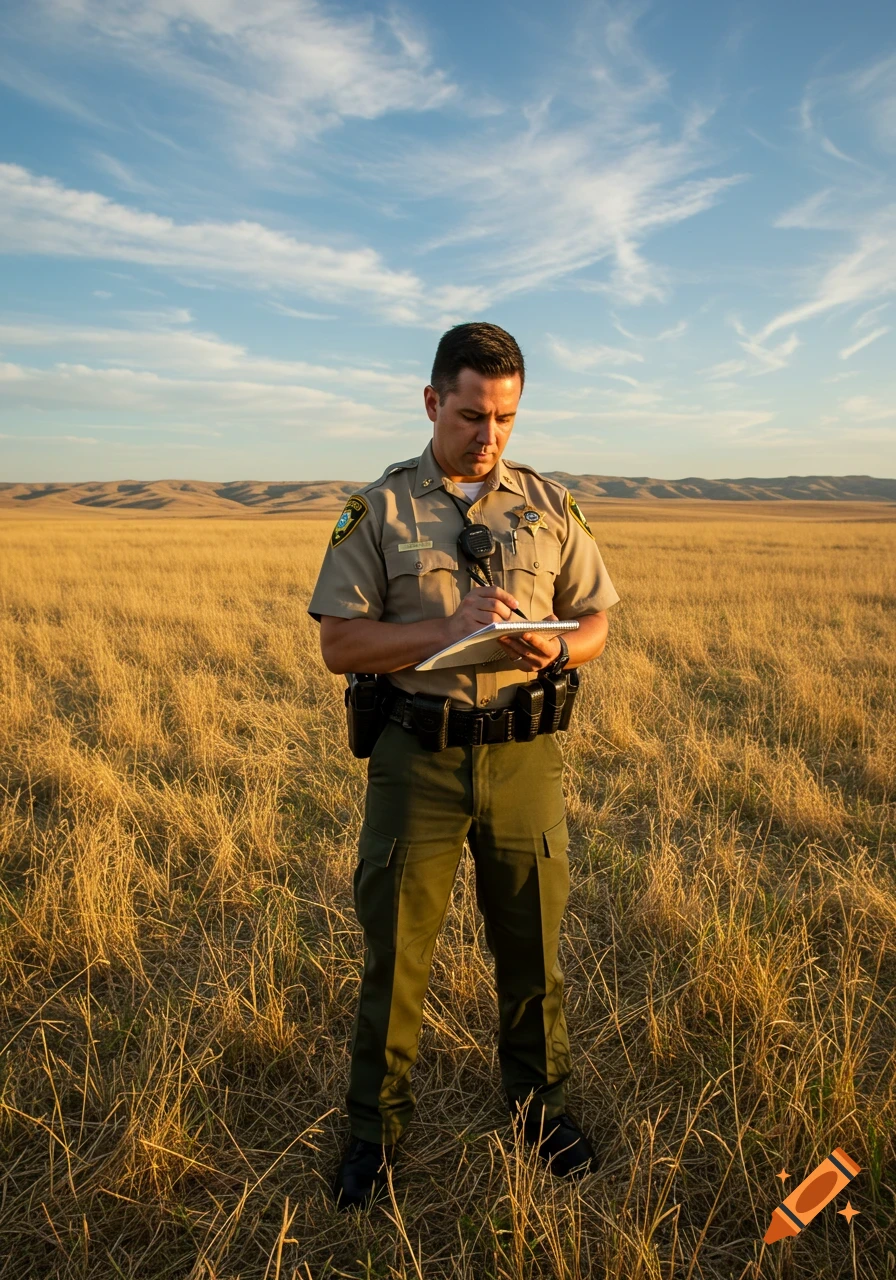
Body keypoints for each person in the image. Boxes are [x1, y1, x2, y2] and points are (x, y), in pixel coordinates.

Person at [308, 322, 619, 1210]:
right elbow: (341, 644)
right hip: (418, 758)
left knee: (532, 945)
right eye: (473, 415)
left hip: (525, 756)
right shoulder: (380, 509)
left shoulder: (550, 505)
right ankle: (375, 1132)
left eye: (507, 419)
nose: (489, 437)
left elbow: (594, 619)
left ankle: (540, 1112)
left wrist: (557, 652)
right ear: (432, 401)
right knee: (396, 956)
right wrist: (443, 631)